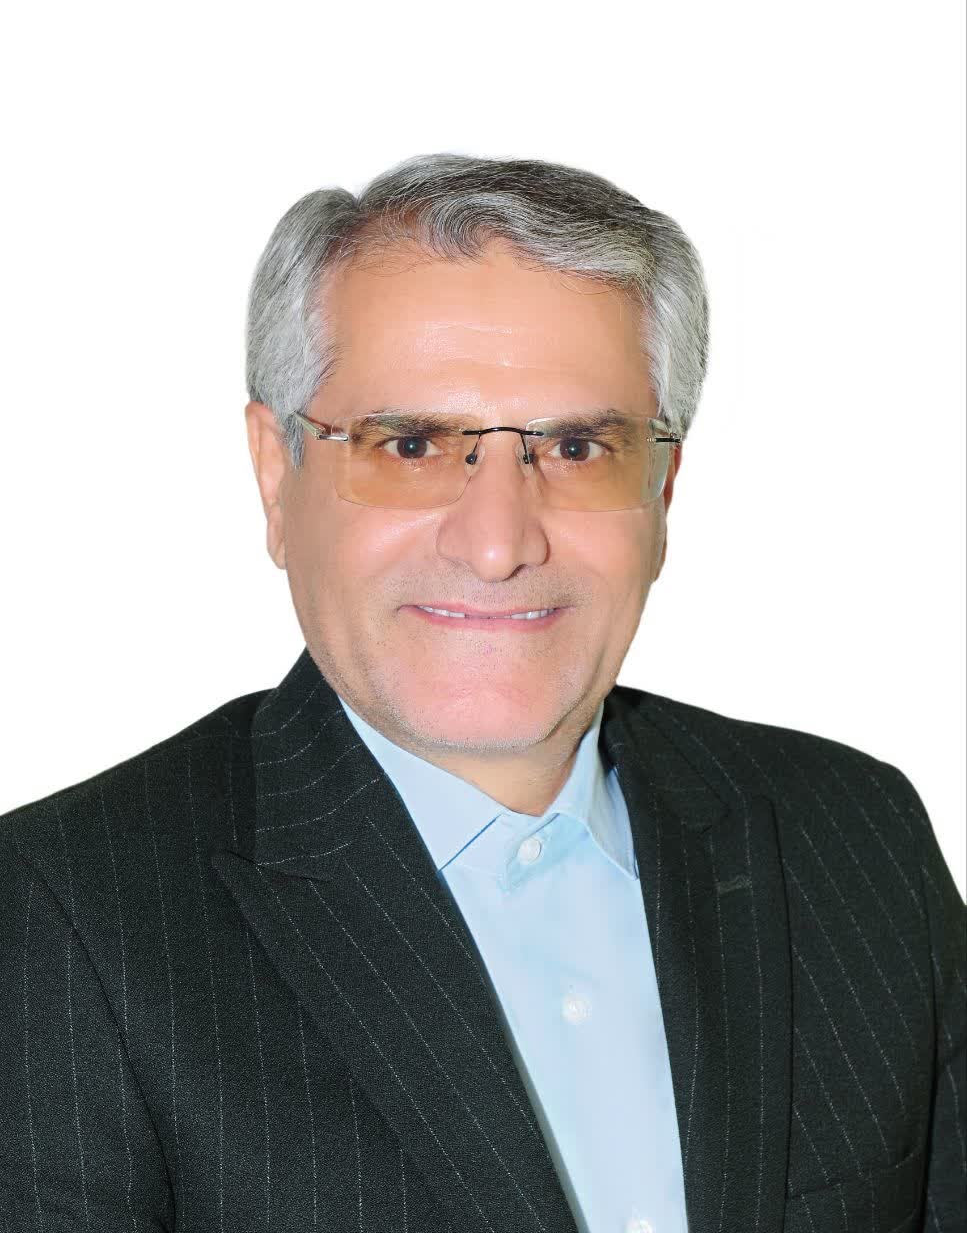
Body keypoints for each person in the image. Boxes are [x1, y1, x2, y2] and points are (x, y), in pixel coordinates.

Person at [1, 153, 963, 1233]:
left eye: (576, 446)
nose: (499, 543)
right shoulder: (62, 917)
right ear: (277, 475)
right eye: (410, 445)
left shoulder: (857, 837)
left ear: (662, 489)